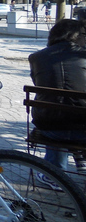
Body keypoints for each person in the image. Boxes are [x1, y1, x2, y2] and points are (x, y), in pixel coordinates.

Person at [28, 19, 86, 173]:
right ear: (76, 36)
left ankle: (55, 172)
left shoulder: (36, 57)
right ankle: (78, 156)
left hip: (48, 125)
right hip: (83, 129)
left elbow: (38, 83)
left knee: (55, 109)